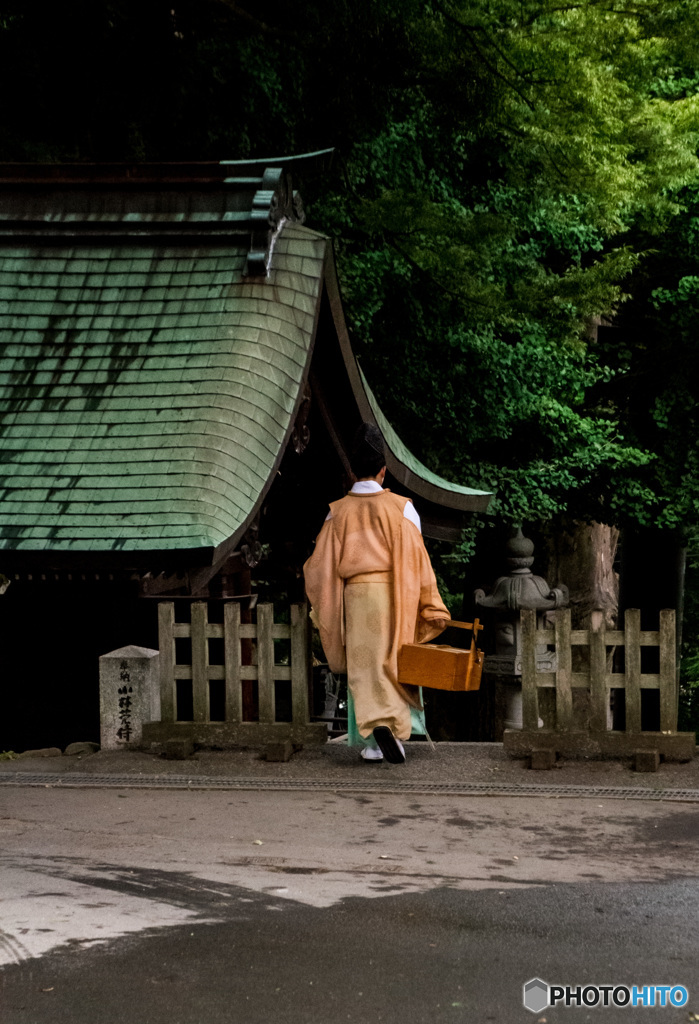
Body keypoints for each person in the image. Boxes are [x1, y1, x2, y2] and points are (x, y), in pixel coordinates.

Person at [303, 423, 450, 764]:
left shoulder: (336, 512)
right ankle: (397, 734)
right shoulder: (403, 509)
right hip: (396, 595)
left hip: (356, 598)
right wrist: (427, 602)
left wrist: (326, 603)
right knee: (396, 662)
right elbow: (417, 560)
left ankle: (371, 740)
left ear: (352, 471)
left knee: (363, 667)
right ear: (383, 470)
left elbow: (318, 568)